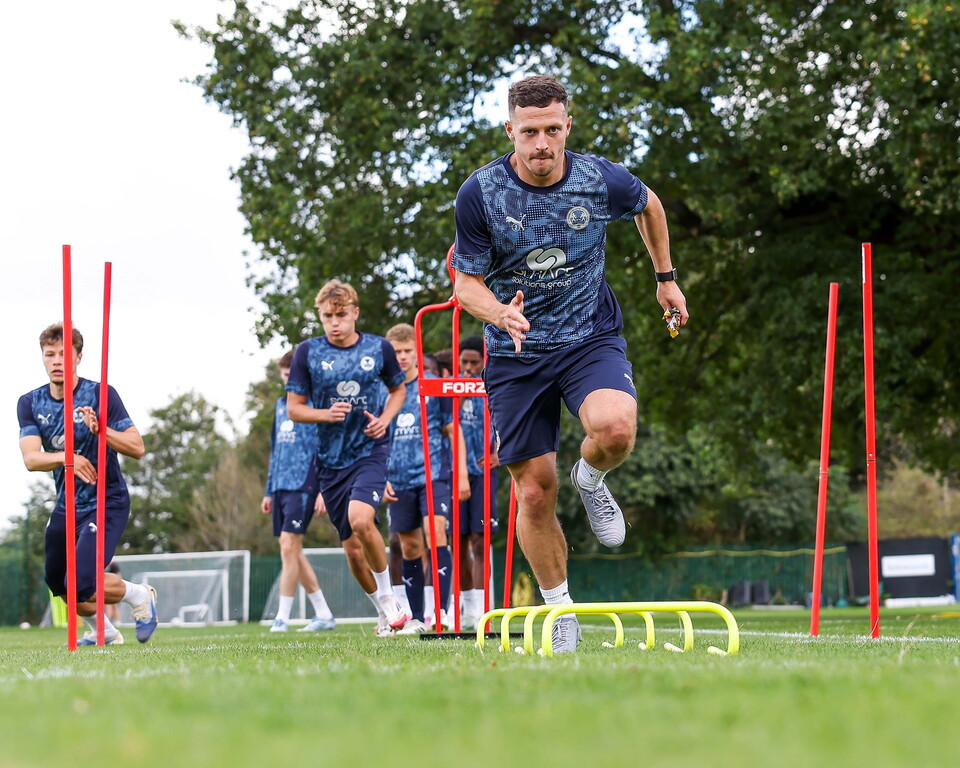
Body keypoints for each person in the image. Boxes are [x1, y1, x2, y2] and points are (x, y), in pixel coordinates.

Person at [451, 75, 689, 652]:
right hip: (516, 353)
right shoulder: (480, 193)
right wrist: (500, 314)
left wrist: (665, 278)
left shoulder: (598, 179)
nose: (542, 144)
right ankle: (561, 611)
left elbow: (650, 205)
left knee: (615, 429)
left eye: (552, 130)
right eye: (530, 132)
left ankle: (592, 476)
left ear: (567, 127)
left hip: (588, 337)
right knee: (534, 492)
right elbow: (464, 283)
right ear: (510, 131)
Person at [17, 323, 159, 646]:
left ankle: (139, 596)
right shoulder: (30, 403)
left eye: (64, 354)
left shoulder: (101, 394)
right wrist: (67, 457)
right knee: (57, 581)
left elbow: (137, 447)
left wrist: (101, 432)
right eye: (50, 354)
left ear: (79, 357)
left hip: (106, 501)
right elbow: (31, 459)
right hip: (68, 504)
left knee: (79, 582)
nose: (57, 360)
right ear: (42, 358)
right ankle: (104, 631)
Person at [286, 279, 410, 636]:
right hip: (330, 460)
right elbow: (294, 408)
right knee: (353, 551)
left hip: (370, 450)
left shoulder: (378, 347)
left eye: (340, 315)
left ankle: (388, 596)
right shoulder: (307, 353)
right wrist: (324, 414)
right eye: (327, 316)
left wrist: (385, 419)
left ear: (355, 313)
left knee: (361, 519)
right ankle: (382, 613)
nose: (334, 323)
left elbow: (398, 390)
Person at [383, 323, 469, 634]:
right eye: (396, 352)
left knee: (436, 531)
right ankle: (416, 617)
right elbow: (376, 438)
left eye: (408, 351)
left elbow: (452, 429)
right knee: (408, 546)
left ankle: (441, 611)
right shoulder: (383, 391)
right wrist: (380, 477)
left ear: (417, 353)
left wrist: (461, 474)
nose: (402, 357)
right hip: (398, 478)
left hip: (433, 474)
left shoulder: (434, 386)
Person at [261, 350, 336, 633]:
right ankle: (324, 613)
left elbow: (324, 450)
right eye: (284, 376)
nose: (288, 381)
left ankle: (282, 617)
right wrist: (269, 490)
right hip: (280, 486)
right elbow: (275, 449)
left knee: (288, 546)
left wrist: (323, 489)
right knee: (292, 550)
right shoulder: (280, 405)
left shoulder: (315, 406)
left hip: (304, 485)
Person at [456, 335, 499, 628]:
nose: (470, 368)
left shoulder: (493, 386)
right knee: (457, 541)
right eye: (465, 362)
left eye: (475, 362)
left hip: (485, 473)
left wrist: (501, 454)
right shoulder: (451, 389)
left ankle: (484, 609)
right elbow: (441, 428)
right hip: (455, 474)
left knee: (480, 540)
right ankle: (467, 608)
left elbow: (509, 422)